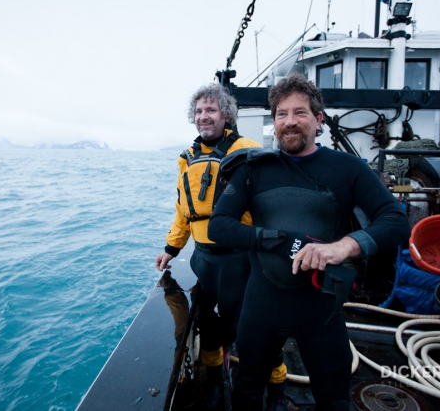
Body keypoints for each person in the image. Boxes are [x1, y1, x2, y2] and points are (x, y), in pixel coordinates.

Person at [208, 73, 411, 410]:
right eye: (281, 114)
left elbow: (395, 220)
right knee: (246, 392)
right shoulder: (254, 169)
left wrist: (342, 246)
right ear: (273, 122)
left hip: (321, 309)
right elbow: (220, 226)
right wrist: (273, 239)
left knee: (334, 399)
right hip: (262, 306)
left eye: (300, 113)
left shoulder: (347, 169)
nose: (290, 122)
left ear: (318, 120)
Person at [155, 84, 287, 410]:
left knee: (260, 329)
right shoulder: (187, 158)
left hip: (243, 261)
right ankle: (214, 383)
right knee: (210, 330)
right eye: (199, 111)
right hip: (205, 262)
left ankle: (277, 390)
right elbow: (182, 211)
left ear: (225, 114)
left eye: (210, 110)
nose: (204, 116)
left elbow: (271, 201)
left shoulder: (248, 148)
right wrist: (171, 248)